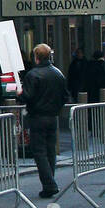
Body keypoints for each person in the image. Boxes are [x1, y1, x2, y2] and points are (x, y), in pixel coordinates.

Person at [16, 44, 68, 198]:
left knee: (39, 151)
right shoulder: (58, 73)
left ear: (36, 57)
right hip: (52, 116)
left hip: (37, 116)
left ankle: (49, 183)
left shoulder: (33, 75)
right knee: (50, 150)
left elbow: (27, 96)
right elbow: (65, 96)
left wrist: (19, 94)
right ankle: (49, 180)